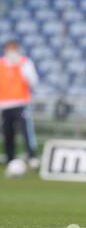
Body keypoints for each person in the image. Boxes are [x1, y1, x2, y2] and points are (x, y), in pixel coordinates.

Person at [0, 40, 40, 170]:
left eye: (13, 48)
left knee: (26, 132)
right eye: (9, 48)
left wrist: (20, 65)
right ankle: (10, 157)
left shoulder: (25, 62)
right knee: (7, 133)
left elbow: (33, 81)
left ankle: (32, 156)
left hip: (21, 103)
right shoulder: (1, 64)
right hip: (4, 105)